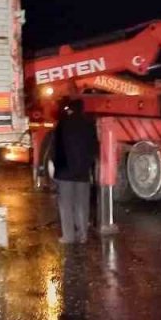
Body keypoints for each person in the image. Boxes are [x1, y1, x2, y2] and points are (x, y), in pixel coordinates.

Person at [49, 97, 98, 245]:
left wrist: (55, 168)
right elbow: (94, 148)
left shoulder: (62, 124)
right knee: (82, 204)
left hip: (65, 173)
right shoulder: (89, 124)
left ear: (69, 109)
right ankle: (82, 235)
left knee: (66, 205)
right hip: (82, 173)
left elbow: (54, 149)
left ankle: (68, 236)